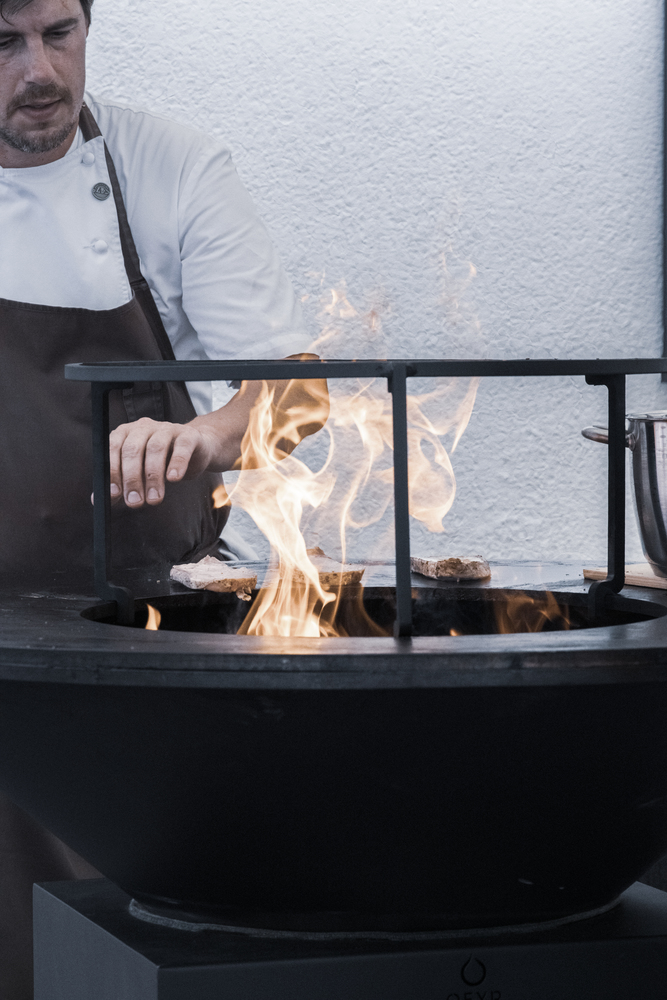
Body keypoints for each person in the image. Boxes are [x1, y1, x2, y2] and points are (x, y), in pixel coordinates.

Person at [0, 0, 326, 994]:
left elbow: (299, 390)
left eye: (61, 32)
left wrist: (206, 432)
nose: (40, 69)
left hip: (142, 653)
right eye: (3, 42)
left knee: (138, 950)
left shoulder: (166, 165)